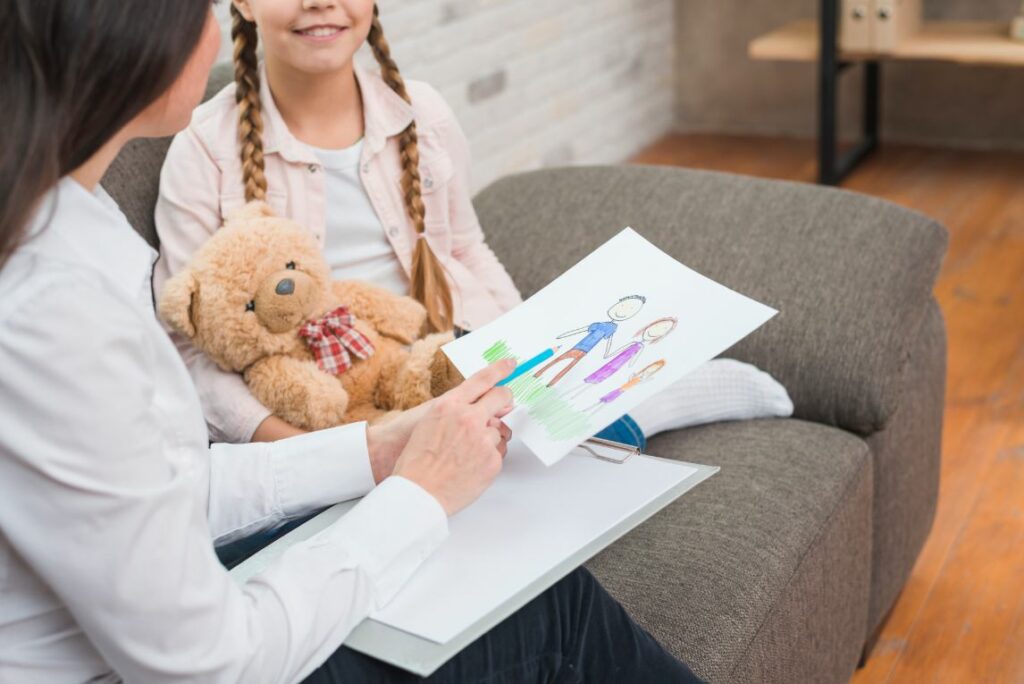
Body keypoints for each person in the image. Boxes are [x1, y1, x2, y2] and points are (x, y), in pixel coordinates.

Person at [0, 2, 704, 681]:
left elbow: (170, 480)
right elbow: (209, 663)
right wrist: (419, 493)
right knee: (554, 609)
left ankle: (667, 395)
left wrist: (380, 451)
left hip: (399, 370)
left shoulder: (72, 224)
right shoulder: (55, 312)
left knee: (556, 436)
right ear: (126, 37)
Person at [154, 0, 793, 451]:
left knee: (509, 415)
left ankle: (629, 404)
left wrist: (526, 352)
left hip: (436, 356)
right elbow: (186, 343)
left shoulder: (421, 113)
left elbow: (466, 247)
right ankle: (628, 419)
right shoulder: (202, 150)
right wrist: (289, 445)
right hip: (319, 406)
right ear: (240, 1)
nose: (320, 2)